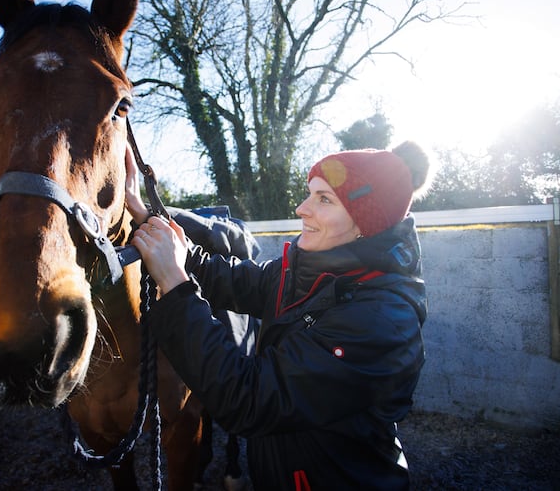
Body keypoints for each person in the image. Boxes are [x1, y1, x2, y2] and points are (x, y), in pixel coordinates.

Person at [126, 141, 432, 491]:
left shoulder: (381, 320)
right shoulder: (312, 271)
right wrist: (147, 216)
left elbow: (249, 398)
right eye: (309, 194)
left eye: (324, 199)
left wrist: (174, 283)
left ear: (366, 223)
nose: (302, 208)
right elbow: (227, 278)